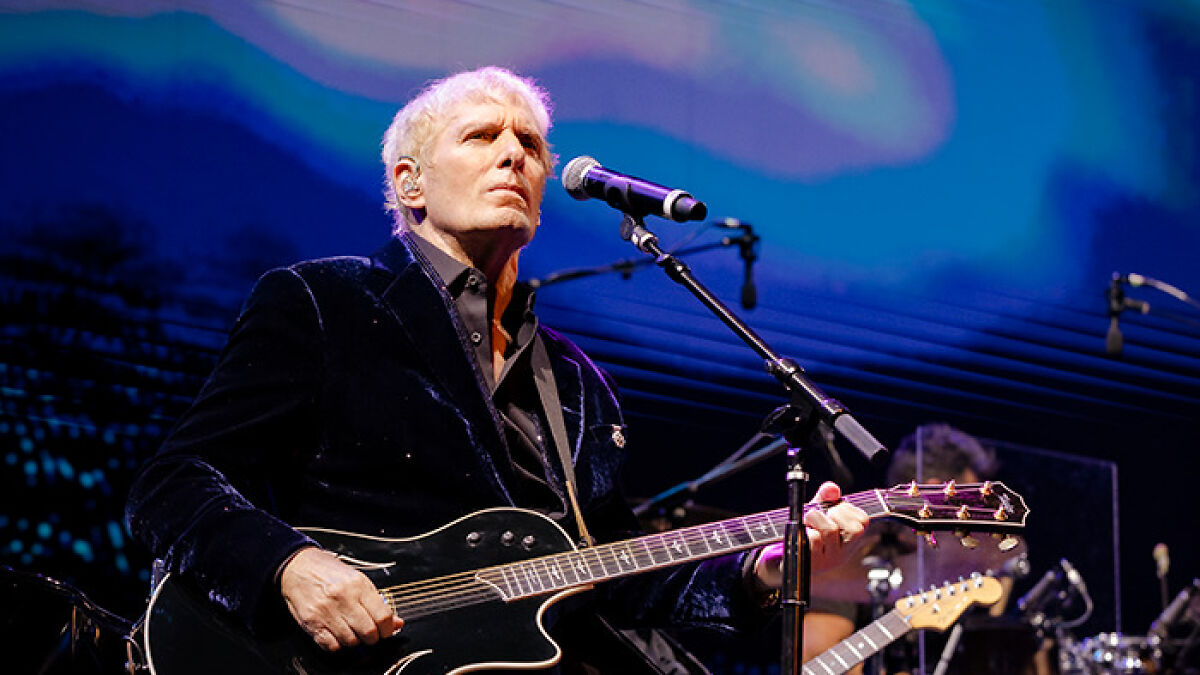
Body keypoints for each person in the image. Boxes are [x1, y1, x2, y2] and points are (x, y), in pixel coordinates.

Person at [125, 66, 868, 670]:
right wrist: (288, 566)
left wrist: (761, 569)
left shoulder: (578, 386)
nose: (515, 153)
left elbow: (614, 573)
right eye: (482, 136)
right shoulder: (325, 301)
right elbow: (173, 481)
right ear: (411, 184)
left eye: (530, 144)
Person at [801, 423, 1000, 674]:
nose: (974, 519)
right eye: (966, 506)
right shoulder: (860, 553)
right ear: (937, 493)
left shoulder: (948, 571)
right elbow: (815, 653)